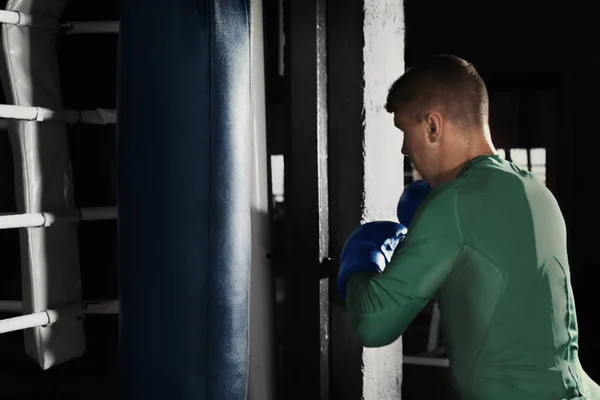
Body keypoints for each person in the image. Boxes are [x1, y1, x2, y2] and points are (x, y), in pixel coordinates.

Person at [337, 54, 600, 399]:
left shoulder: (454, 202)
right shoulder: (535, 189)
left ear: (432, 126)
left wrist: (360, 260)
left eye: (404, 131)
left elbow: (373, 324)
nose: (404, 148)